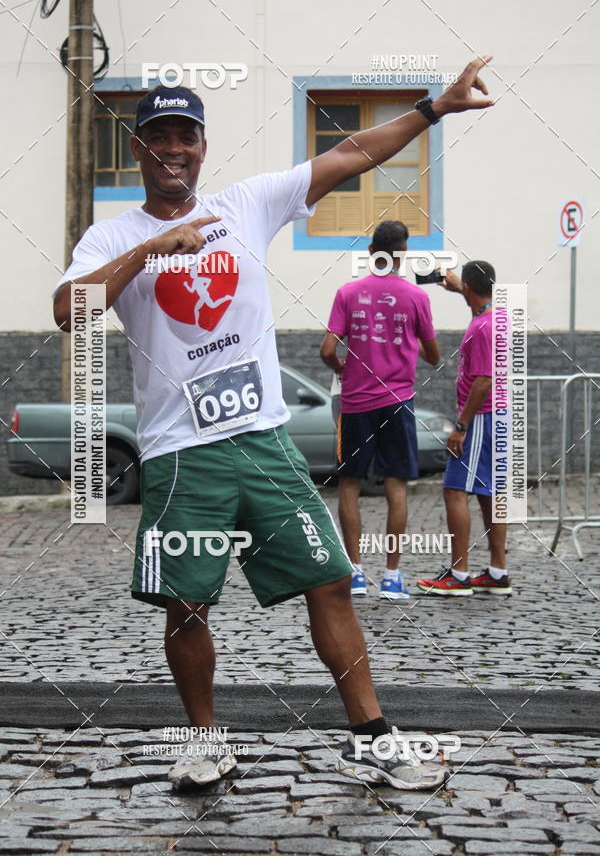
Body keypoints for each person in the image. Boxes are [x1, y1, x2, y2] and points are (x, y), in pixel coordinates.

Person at [53, 56, 494, 792]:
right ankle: (203, 742)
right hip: (179, 452)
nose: (173, 149)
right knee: (186, 602)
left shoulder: (248, 203)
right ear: (137, 147)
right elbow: (71, 311)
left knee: (328, 580)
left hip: (262, 440)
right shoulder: (111, 238)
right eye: (157, 136)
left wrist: (434, 108)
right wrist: (151, 249)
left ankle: (373, 737)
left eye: (185, 136)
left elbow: (352, 153)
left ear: (201, 144)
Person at [320, 221, 440, 600]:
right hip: (397, 402)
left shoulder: (348, 292)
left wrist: (343, 369)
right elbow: (434, 356)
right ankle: (391, 577)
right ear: (402, 254)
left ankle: (354, 573)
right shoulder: (417, 298)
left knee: (351, 485)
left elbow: (326, 350)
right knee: (396, 486)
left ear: (372, 252)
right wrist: (409, 342)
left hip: (356, 403)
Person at [417, 261, 511, 596]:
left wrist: (460, 426)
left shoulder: (482, 327)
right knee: (489, 492)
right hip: (497, 415)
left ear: (470, 289)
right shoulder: (496, 316)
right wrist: (459, 288)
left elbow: (483, 381)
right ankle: (498, 572)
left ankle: (458, 576)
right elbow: (477, 298)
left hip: (481, 416)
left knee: (455, 490)